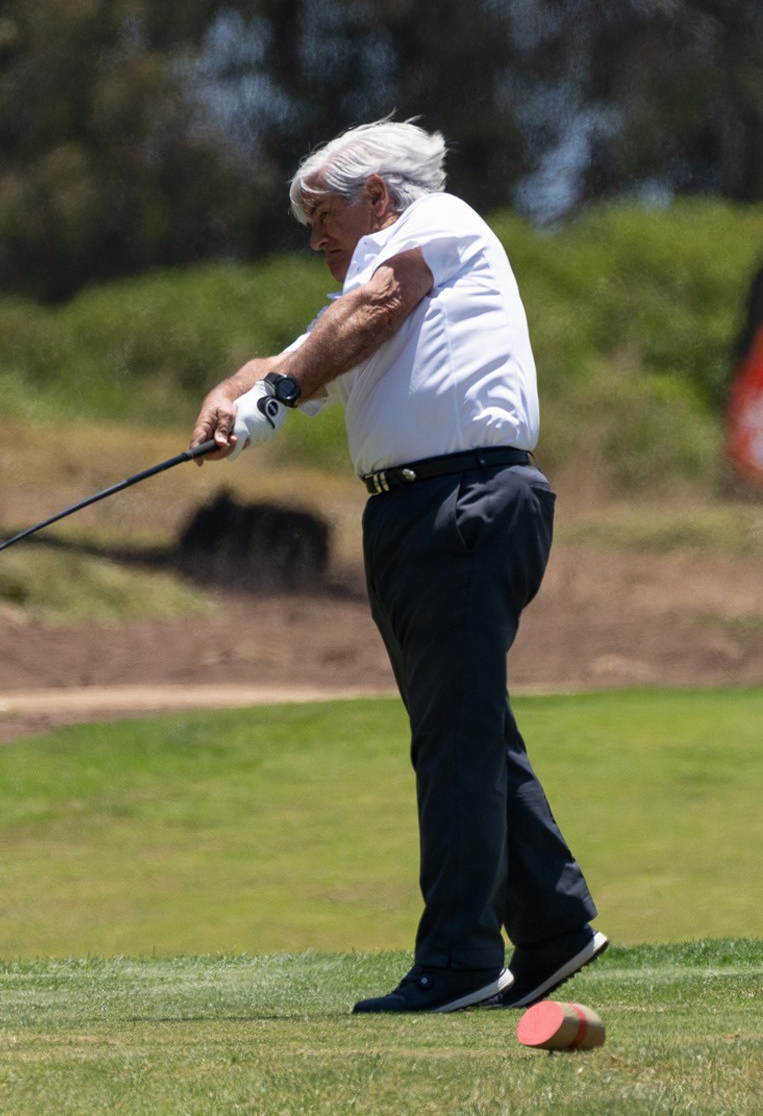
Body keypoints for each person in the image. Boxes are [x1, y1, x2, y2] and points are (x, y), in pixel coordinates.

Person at [191, 118, 605, 1014]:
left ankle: (459, 960)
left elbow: (373, 306)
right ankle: (554, 926)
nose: (315, 239)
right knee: (465, 724)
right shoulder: (366, 296)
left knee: (455, 736)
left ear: (378, 195)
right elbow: (313, 348)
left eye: (323, 216)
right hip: (417, 512)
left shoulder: (435, 228)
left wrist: (281, 390)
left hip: (465, 500)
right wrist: (235, 391)